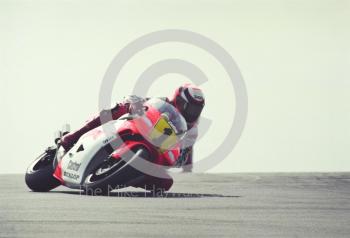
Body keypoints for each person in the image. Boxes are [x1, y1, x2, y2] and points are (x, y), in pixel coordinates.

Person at [60, 83, 205, 189]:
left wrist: (180, 159)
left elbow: (183, 155)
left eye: (196, 109)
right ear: (178, 100)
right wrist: (133, 103)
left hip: (157, 154)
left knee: (164, 184)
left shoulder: (192, 131)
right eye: (190, 107)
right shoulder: (162, 102)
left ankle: (127, 177)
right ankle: (74, 135)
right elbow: (140, 103)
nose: (192, 112)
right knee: (117, 107)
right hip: (138, 131)